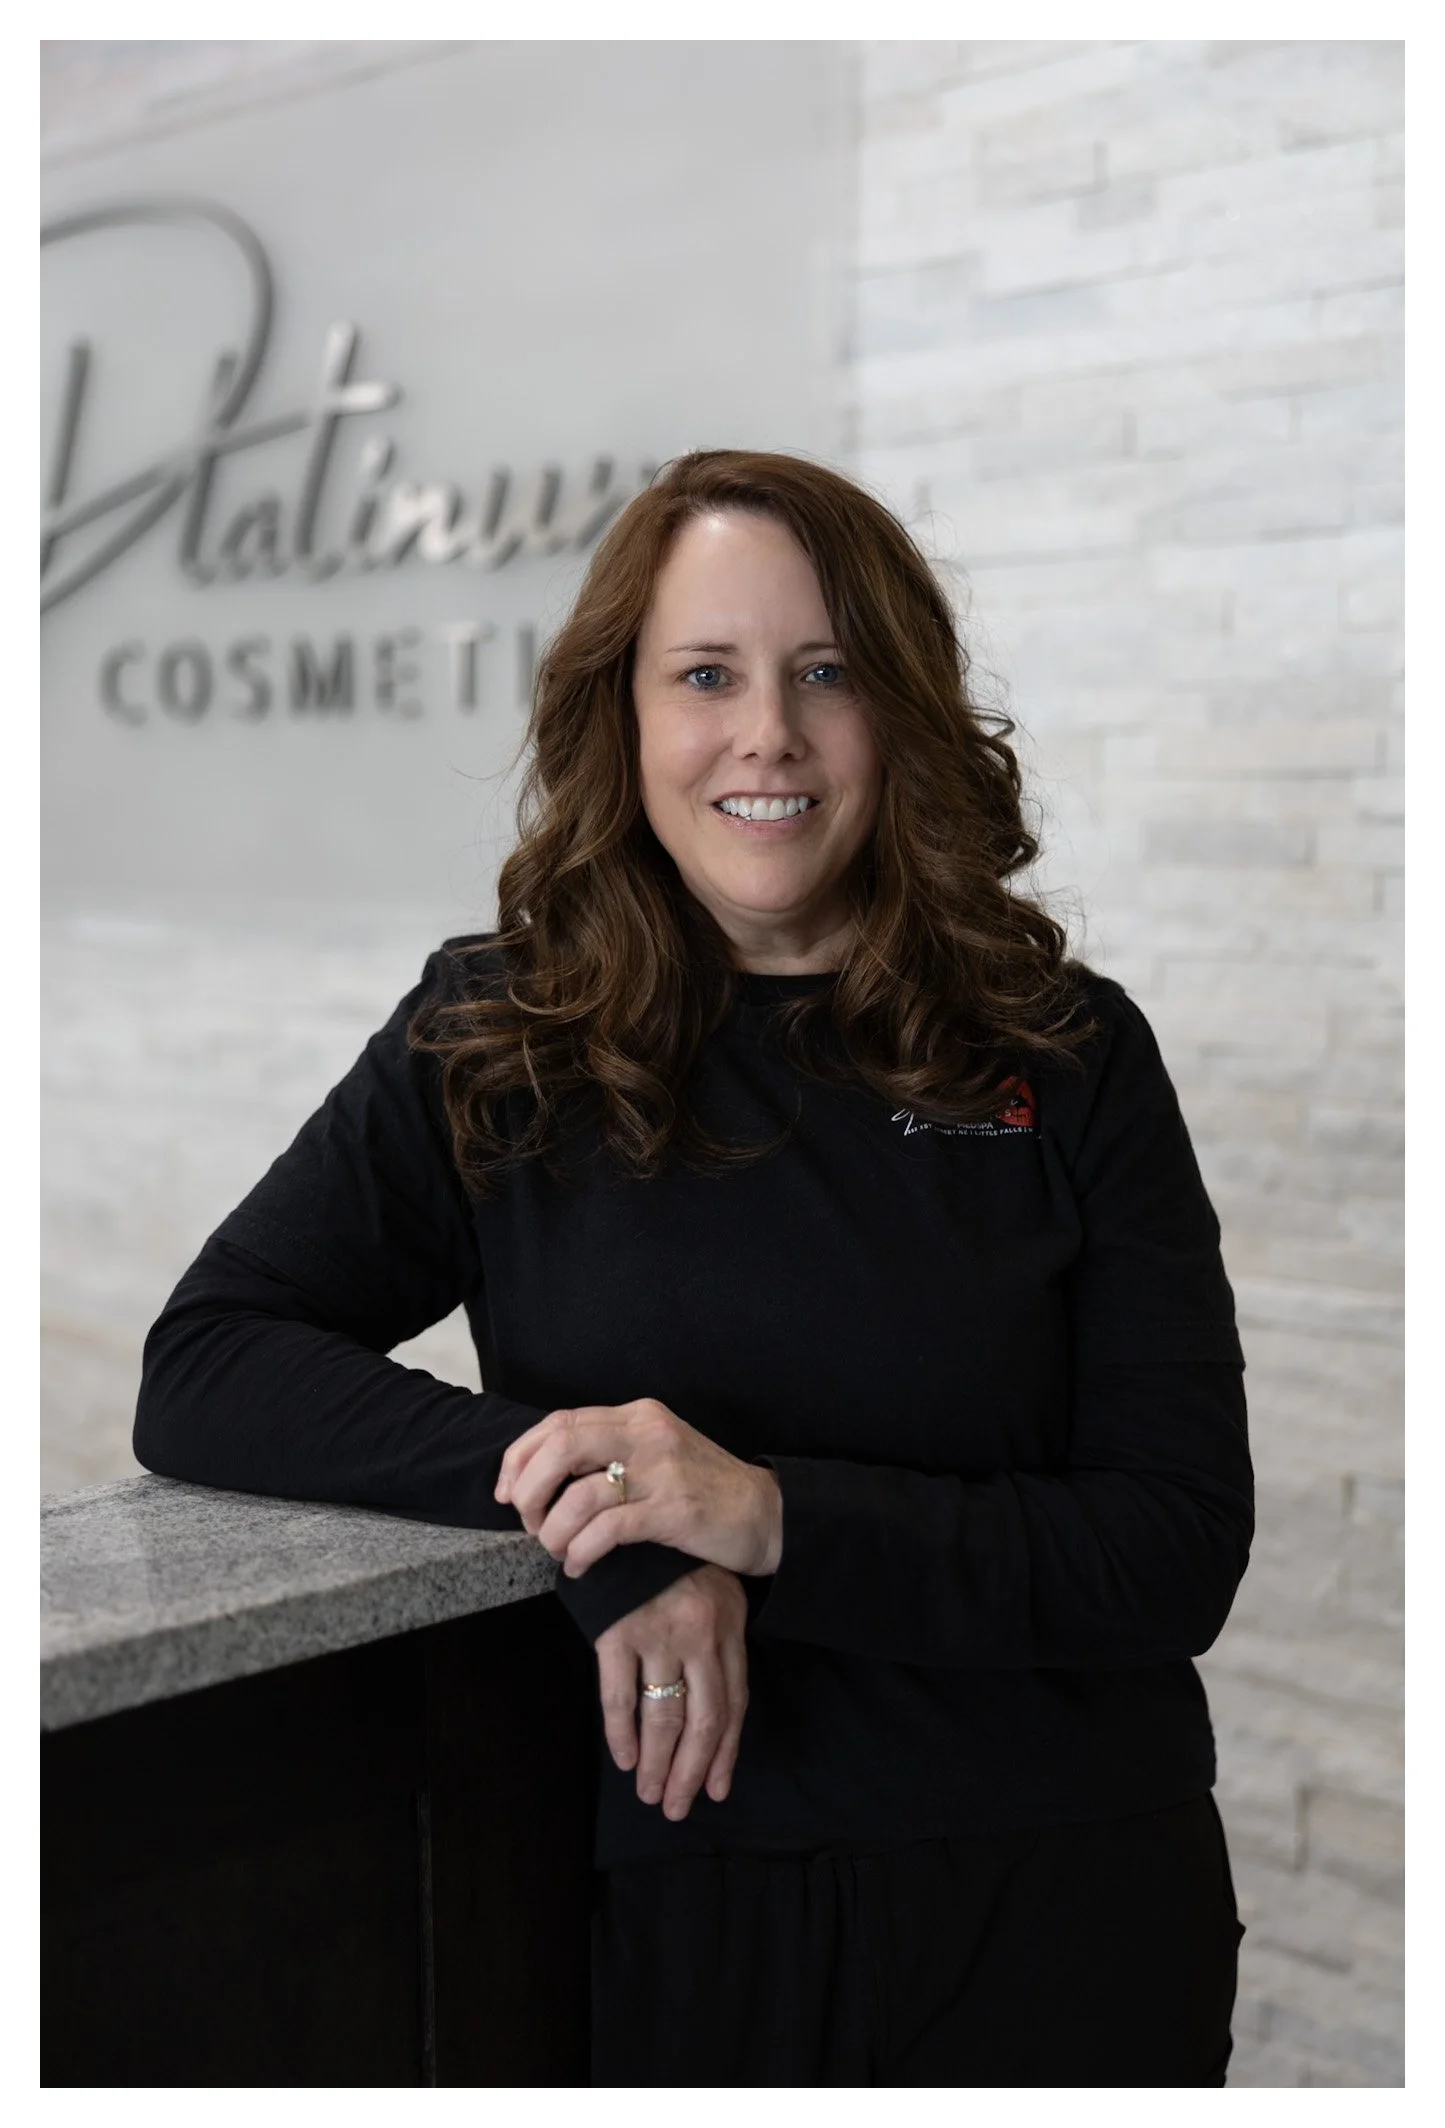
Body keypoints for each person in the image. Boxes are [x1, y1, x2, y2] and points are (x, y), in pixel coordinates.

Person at [134, 448, 1252, 2088]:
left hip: (1068, 1904)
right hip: (675, 1920)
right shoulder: (501, 1033)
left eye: (826, 674)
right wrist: (606, 1513)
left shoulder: (1068, 1053)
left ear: (903, 712)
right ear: (627, 717)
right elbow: (211, 1361)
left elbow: (1174, 1550)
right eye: (706, 676)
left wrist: (765, 1512)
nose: (768, 737)